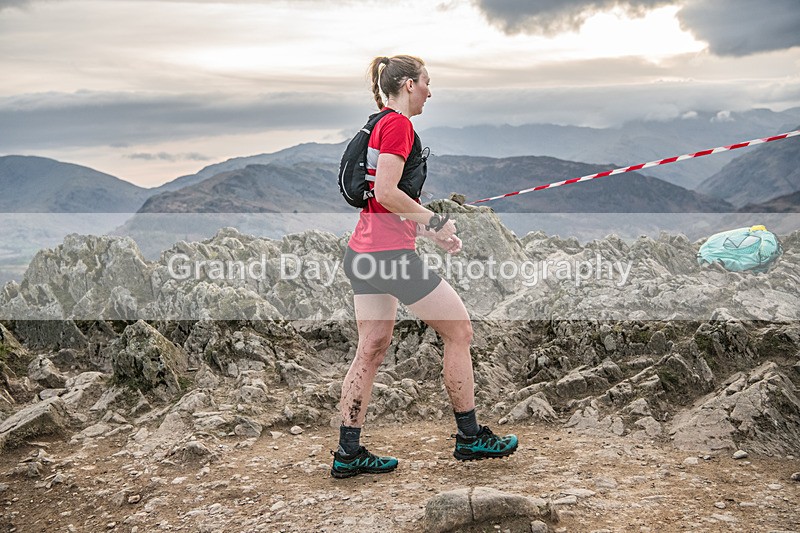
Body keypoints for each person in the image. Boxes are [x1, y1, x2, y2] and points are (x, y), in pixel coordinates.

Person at [331, 55, 518, 479]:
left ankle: (348, 452)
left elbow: (380, 199)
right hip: (389, 259)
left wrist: (431, 232)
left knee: (372, 346)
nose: (431, 92)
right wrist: (434, 221)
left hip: (362, 254)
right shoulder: (398, 125)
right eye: (428, 83)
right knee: (460, 330)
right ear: (410, 84)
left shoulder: (379, 121)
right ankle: (470, 438)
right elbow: (387, 192)